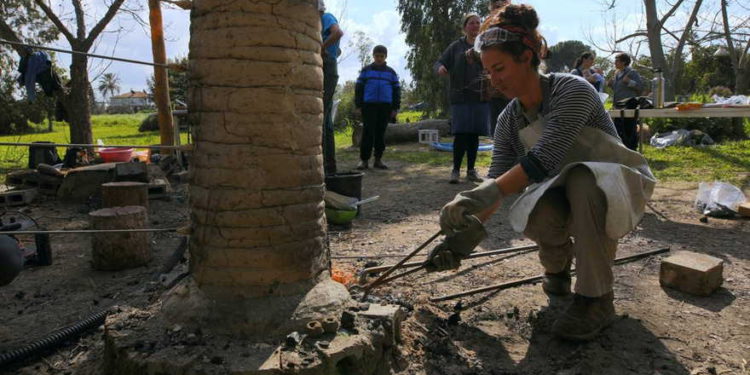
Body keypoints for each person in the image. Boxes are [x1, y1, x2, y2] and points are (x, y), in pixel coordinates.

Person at [424, 4, 656, 341]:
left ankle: (596, 298)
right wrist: (461, 242)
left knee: (582, 179)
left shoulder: (572, 90)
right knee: (534, 206)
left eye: (500, 67)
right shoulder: (509, 120)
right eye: (489, 71)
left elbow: (545, 157)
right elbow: (499, 181)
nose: (495, 79)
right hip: (563, 192)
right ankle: (557, 267)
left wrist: (484, 193)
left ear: (528, 56)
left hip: (612, 189)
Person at [435, 13, 491, 184]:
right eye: (471, 23)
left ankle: (471, 170)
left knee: (474, 135)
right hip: (460, 96)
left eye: (478, 23)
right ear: (465, 27)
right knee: (460, 134)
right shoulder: (455, 47)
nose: (475, 26)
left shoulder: (485, 45)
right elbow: (439, 62)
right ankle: (455, 170)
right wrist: (442, 68)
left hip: (479, 96)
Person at [354, 45, 401, 170]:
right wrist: (358, 105)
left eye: (382, 56)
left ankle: (378, 159)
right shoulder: (366, 71)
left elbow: (396, 91)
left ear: (386, 57)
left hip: (385, 107)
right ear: (373, 56)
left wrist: (395, 108)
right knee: (368, 133)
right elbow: (359, 88)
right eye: (377, 56)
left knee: (380, 133)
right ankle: (364, 160)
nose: (379, 58)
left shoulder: (391, 72)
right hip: (369, 106)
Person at [319, 0, 344, 175]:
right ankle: (329, 167)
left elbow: (338, 32)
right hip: (328, 65)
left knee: (320, 115)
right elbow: (338, 50)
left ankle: (325, 166)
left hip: (327, 66)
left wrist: (322, 46)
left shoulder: (326, 17)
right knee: (326, 118)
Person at [608, 53, 643, 151]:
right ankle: (621, 150)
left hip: (629, 106)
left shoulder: (632, 72)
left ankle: (632, 150)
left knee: (629, 129)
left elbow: (640, 87)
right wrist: (611, 85)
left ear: (624, 62)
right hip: (617, 106)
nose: (615, 62)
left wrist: (629, 81)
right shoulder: (616, 73)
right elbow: (618, 89)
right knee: (618, 129)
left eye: (617, 60)